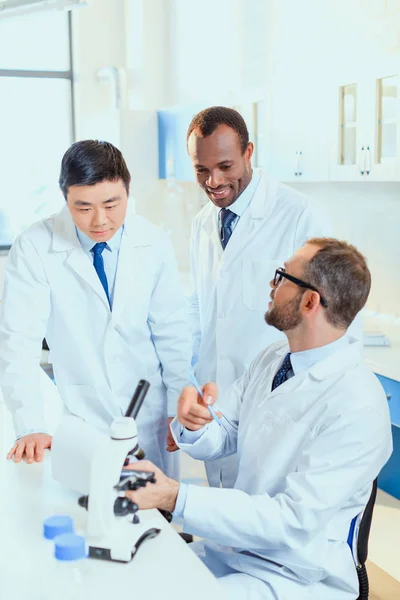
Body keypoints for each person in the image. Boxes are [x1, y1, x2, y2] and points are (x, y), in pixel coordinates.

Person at [123, 238, 392, 600]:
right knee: (135, 581)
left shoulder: (358, 403)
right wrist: (195, 421)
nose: (272, 284)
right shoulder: (275, 357)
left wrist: (176, 498)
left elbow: (292, 521)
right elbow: (226, 431)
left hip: (296, 575)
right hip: (236, 549)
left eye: (282, 277)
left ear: (310, 301)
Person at [0, 140, 190, 476]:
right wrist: (30, 423)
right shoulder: (35, 247)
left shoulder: (153, 242)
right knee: (94, 511)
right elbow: (18, 342)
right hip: (84, 418)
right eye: (83, 207)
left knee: (157, 516)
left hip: (150, 416)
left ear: (127, 192)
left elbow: (172, 333)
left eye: (112, 204)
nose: (100, 220)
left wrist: (179, 401)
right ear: (65, 198)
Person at [186, 106, 332, 488]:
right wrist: (185, 385)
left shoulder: (298, 214)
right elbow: (201, 310)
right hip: (215, 400)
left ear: (249, 153)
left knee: (267, 521)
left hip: (275, 402)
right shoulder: (203, 223)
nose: (213, 181)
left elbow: (327, 316)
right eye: (201, 169)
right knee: (223, 518)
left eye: (225, 165)